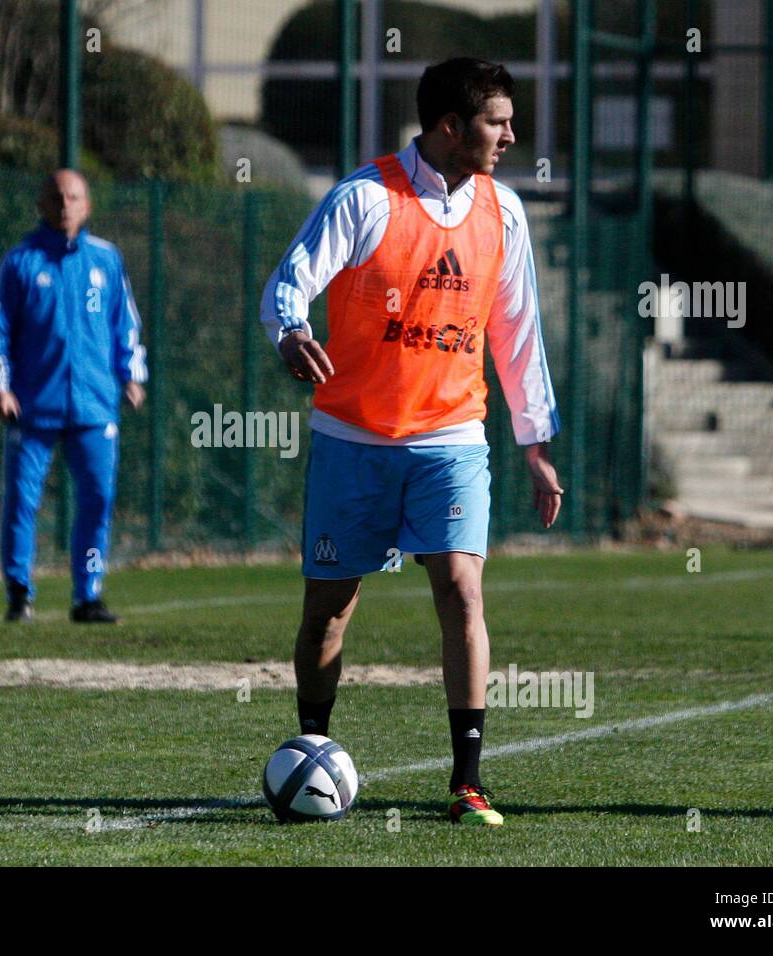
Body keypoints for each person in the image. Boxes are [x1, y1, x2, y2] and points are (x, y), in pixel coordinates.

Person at [259, 57, 563, 826]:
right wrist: (289, 331)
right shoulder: (366, 198)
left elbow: (517, 334)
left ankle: (468, 781)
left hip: (452, 439)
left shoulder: (505, 212)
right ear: (451, 127)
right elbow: (288, 282)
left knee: (461, 588)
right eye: (497, 121)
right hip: (352, 438)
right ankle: (313, 754)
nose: (510, 134)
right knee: (330, 609)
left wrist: (534, 443)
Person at [0, 169, 147, 624]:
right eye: (56, 197)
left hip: (95, 404)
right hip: (34, 406)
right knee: (22, 499)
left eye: (74, 197)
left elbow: (124, 323)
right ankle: (19, 592)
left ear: (87, 205)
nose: (65, 205)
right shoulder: (19, 262)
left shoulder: (106, 260)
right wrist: (1, 385)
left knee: (98, 499)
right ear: (42, 205)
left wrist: (131, 373)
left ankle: (87, 594)